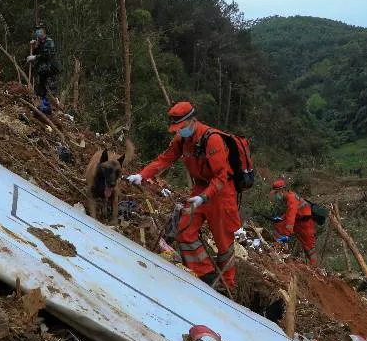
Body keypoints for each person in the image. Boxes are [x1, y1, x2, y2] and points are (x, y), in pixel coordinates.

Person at [126, 102, 242, 289]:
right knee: (184, 230)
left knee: (223, 242)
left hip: (220, 192)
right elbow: (165, 159)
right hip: (200, 189)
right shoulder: (181, 140)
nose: (179, 132)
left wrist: (205, 197)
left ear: (193, 121)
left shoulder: (212, 140)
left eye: (181, 127)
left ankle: (227, 285)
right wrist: (142, 175)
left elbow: (221, 176)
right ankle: (206, 276)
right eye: (176, 129)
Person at [269, 179, 318, 265]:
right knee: (278, 226)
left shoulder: (291, 198)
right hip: (298, 222)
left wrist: (287, 234)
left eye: (276, 193)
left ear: (282, 190)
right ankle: (276, 249)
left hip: (306, 224)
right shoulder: (289, 196)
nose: (276, 195)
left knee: (309, 248)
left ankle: (314, 267)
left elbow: (291, 218)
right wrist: (281, 218)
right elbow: (290, 213)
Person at [25, 24, 59, 113]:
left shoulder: (49, 42)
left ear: (44, 32)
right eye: (37, 31)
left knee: (50, 90)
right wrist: (35, 46)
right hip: (42, 71)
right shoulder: (40, 42)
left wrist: (34, 57)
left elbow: (47, 55)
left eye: (39, 31)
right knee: (41, 89)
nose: (38, 33)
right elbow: (38, 51)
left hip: (50, 70)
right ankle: (43, 108)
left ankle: (49, 109)